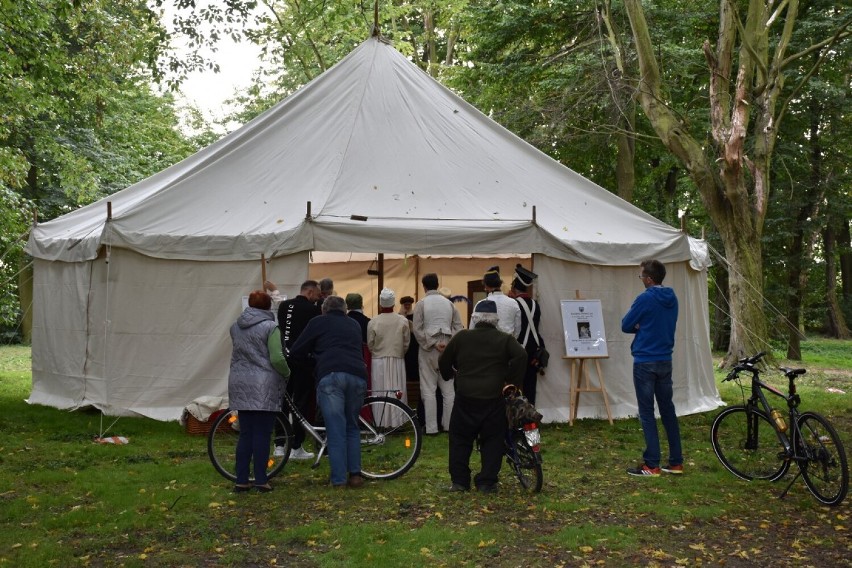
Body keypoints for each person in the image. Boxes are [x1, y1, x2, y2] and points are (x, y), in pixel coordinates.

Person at [438, 300, 527, 493]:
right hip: (493, 398)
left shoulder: (462, 337)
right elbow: (521, 355)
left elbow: (444, 359)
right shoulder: (505, 339)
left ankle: (460, 481)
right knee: (493, 439)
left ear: (475, 318)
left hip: (465, 397)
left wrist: (449, 374)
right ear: (496, 320)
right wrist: (511, 381)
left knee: (460, 439)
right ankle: (487, 481)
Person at [289, 296, 369, 488]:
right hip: (358, 375)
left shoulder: (318, 322)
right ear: (344, 310)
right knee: (352, 426)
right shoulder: (353, 325)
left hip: (331, 375)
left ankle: (339, 479)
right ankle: (356, 475)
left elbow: (297, 350)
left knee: (335, 429)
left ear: (324, 310)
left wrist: (313, 363)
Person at [621, 259, 682, 477]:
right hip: (665, 359)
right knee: (668, 410)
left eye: (641, 277)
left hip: (645, 360)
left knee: (647, 412)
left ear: (648, 279)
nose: (641, 280)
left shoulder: (645, 298)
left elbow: (626, 324)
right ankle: (676, 462)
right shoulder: (672, 297)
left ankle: (652, 464)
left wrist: (640, 325)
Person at [228, 290, 291, 493]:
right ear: (267, 307)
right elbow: (277, 358)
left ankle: (241, 479)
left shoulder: (235, 327)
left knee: (246, 434)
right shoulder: (271, 327)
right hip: (264, 383)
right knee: (263, 434)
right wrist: (287, 372)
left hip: (240, 381)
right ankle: (261, 479)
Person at [412, 273, 464, 434]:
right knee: (448, 390)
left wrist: (433, 343)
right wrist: (448, 346)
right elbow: (458, 327)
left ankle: (432, 428)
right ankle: (449, 425)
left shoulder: (421, 304)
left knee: (428, 389)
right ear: (437, 285)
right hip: (447, 348)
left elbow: (417, 329)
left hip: (428, 350)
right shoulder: (449, 304)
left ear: (424, 287)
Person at [276, 280, 321, 461]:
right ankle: (295, 446)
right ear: (309, 292)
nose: (317, 300)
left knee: (283, 402)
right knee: (300, 403)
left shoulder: (283, 306)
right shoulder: (313, 311)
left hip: (283, 358)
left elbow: (282, 331)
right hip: (302, 361)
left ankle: (279, 444)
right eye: (317, 296)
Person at [367, 288, 411, 411]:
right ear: (393, 303)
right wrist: (400, 352)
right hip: (397, 359)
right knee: (397, 388)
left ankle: (380, 417)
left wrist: (376, 352)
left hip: (378, 360)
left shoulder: (373, 321)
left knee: (380, 389)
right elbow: (406, 342)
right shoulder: (402, 320)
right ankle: (398, 418)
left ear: (381, 303)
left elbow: (370, 343)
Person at [509, 264, 545, 405]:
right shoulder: (536, 304)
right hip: (534, 349)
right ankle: (531, 421)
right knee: (530, 386)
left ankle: (516, 418)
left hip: (519, 349)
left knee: (515, 386)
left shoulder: (513, 304)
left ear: (514, 286)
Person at [474, 266, 521, 338]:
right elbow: (517, 329)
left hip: (487, 345)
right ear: (500, 284)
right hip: (507, 344)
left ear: (486, 286)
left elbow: (473, 329)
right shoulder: (513, 303)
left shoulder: (480, 304)